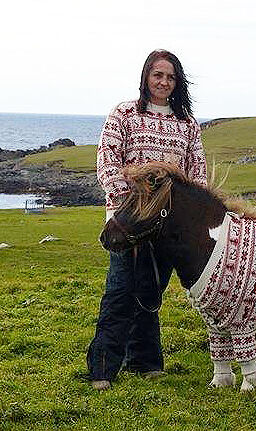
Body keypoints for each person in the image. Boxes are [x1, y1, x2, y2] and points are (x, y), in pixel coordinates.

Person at [87, 49, 207, 390]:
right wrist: (131, 208)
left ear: (177, 82)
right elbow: (107, 160)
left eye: (170, 77)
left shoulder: (187, 124)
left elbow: (196, 174)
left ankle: (145, 360)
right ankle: (102, 369)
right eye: (158, 75)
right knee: (121, 290)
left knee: (150, 290)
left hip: (166, 226)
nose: (163, 82)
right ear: (146, 77)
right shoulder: (123, 114)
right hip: (128, 222)